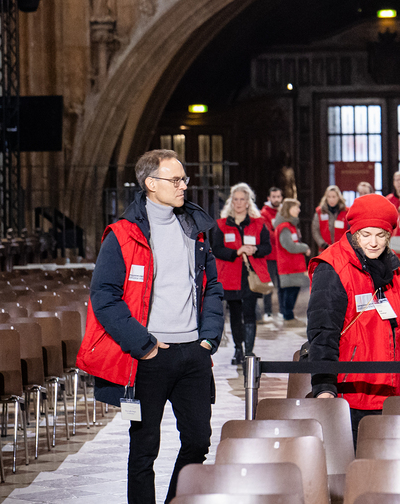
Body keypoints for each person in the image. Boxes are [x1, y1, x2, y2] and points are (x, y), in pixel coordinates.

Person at [77, 150, 224, 504]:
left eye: (184, 179)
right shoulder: (122, 234)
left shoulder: (195, 229)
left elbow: (213, 287)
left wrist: (208, 338)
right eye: (176, 180)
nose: (184, 185)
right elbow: (104, 296)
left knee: (198, 441)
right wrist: (143, 345)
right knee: (145, 447)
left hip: (193, 353)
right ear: (151, 184)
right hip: (149, 356)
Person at [307, 194, 400, 444]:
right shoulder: (332, 267)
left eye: (381, 235)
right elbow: (322, 332)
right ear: (354, 232)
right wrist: (324, 387)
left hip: (389, 394)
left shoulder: (392, 267)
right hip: (350, 396)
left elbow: (397, 330)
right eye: (366, 234)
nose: (373, 243)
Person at [211, 183, 271, 366]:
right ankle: (238, 349)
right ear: (232, 202)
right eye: (235, 199)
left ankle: (249, 351)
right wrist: (236, 252)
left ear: (247, 202)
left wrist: (255, 249)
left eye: (242, 199)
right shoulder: (222, 225)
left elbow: (267, 247)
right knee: (235, 314)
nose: (238, 203)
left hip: (250, 276)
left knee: (249, 312)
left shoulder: (258, 224)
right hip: (230, 276)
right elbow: (216, 249)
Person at [273, 198, 311, 323]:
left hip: (293, 264)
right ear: (289, 209)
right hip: (288, 265)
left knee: (293, 289)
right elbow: (289, 245)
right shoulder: (284, 227)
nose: (299, 210)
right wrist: (304, 247)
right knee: (290, 290)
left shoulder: (291, 226)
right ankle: (287, 315)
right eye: (296, 207)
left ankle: (288, 315)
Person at [259, 187, 283, 321]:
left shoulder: (284, 211)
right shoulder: (264, 213)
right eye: (274, 197)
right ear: (269, 198)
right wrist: (283, 235)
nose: (276, 199)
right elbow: (268, 234)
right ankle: (267, 311)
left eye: (278, 196)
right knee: (269, 284)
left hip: (282, 255)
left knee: (282, 285)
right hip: (270, 255)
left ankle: (283, 311)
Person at [312, 185, 348, 254]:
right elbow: (315, 230)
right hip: (324, 250)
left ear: (338, 197)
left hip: (341, 250)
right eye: (329, 197)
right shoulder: (320, 212)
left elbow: (349, 230)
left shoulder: (345, 212)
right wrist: (323, 244)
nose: (331, 199)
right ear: (326, 198)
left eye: (334, 197)